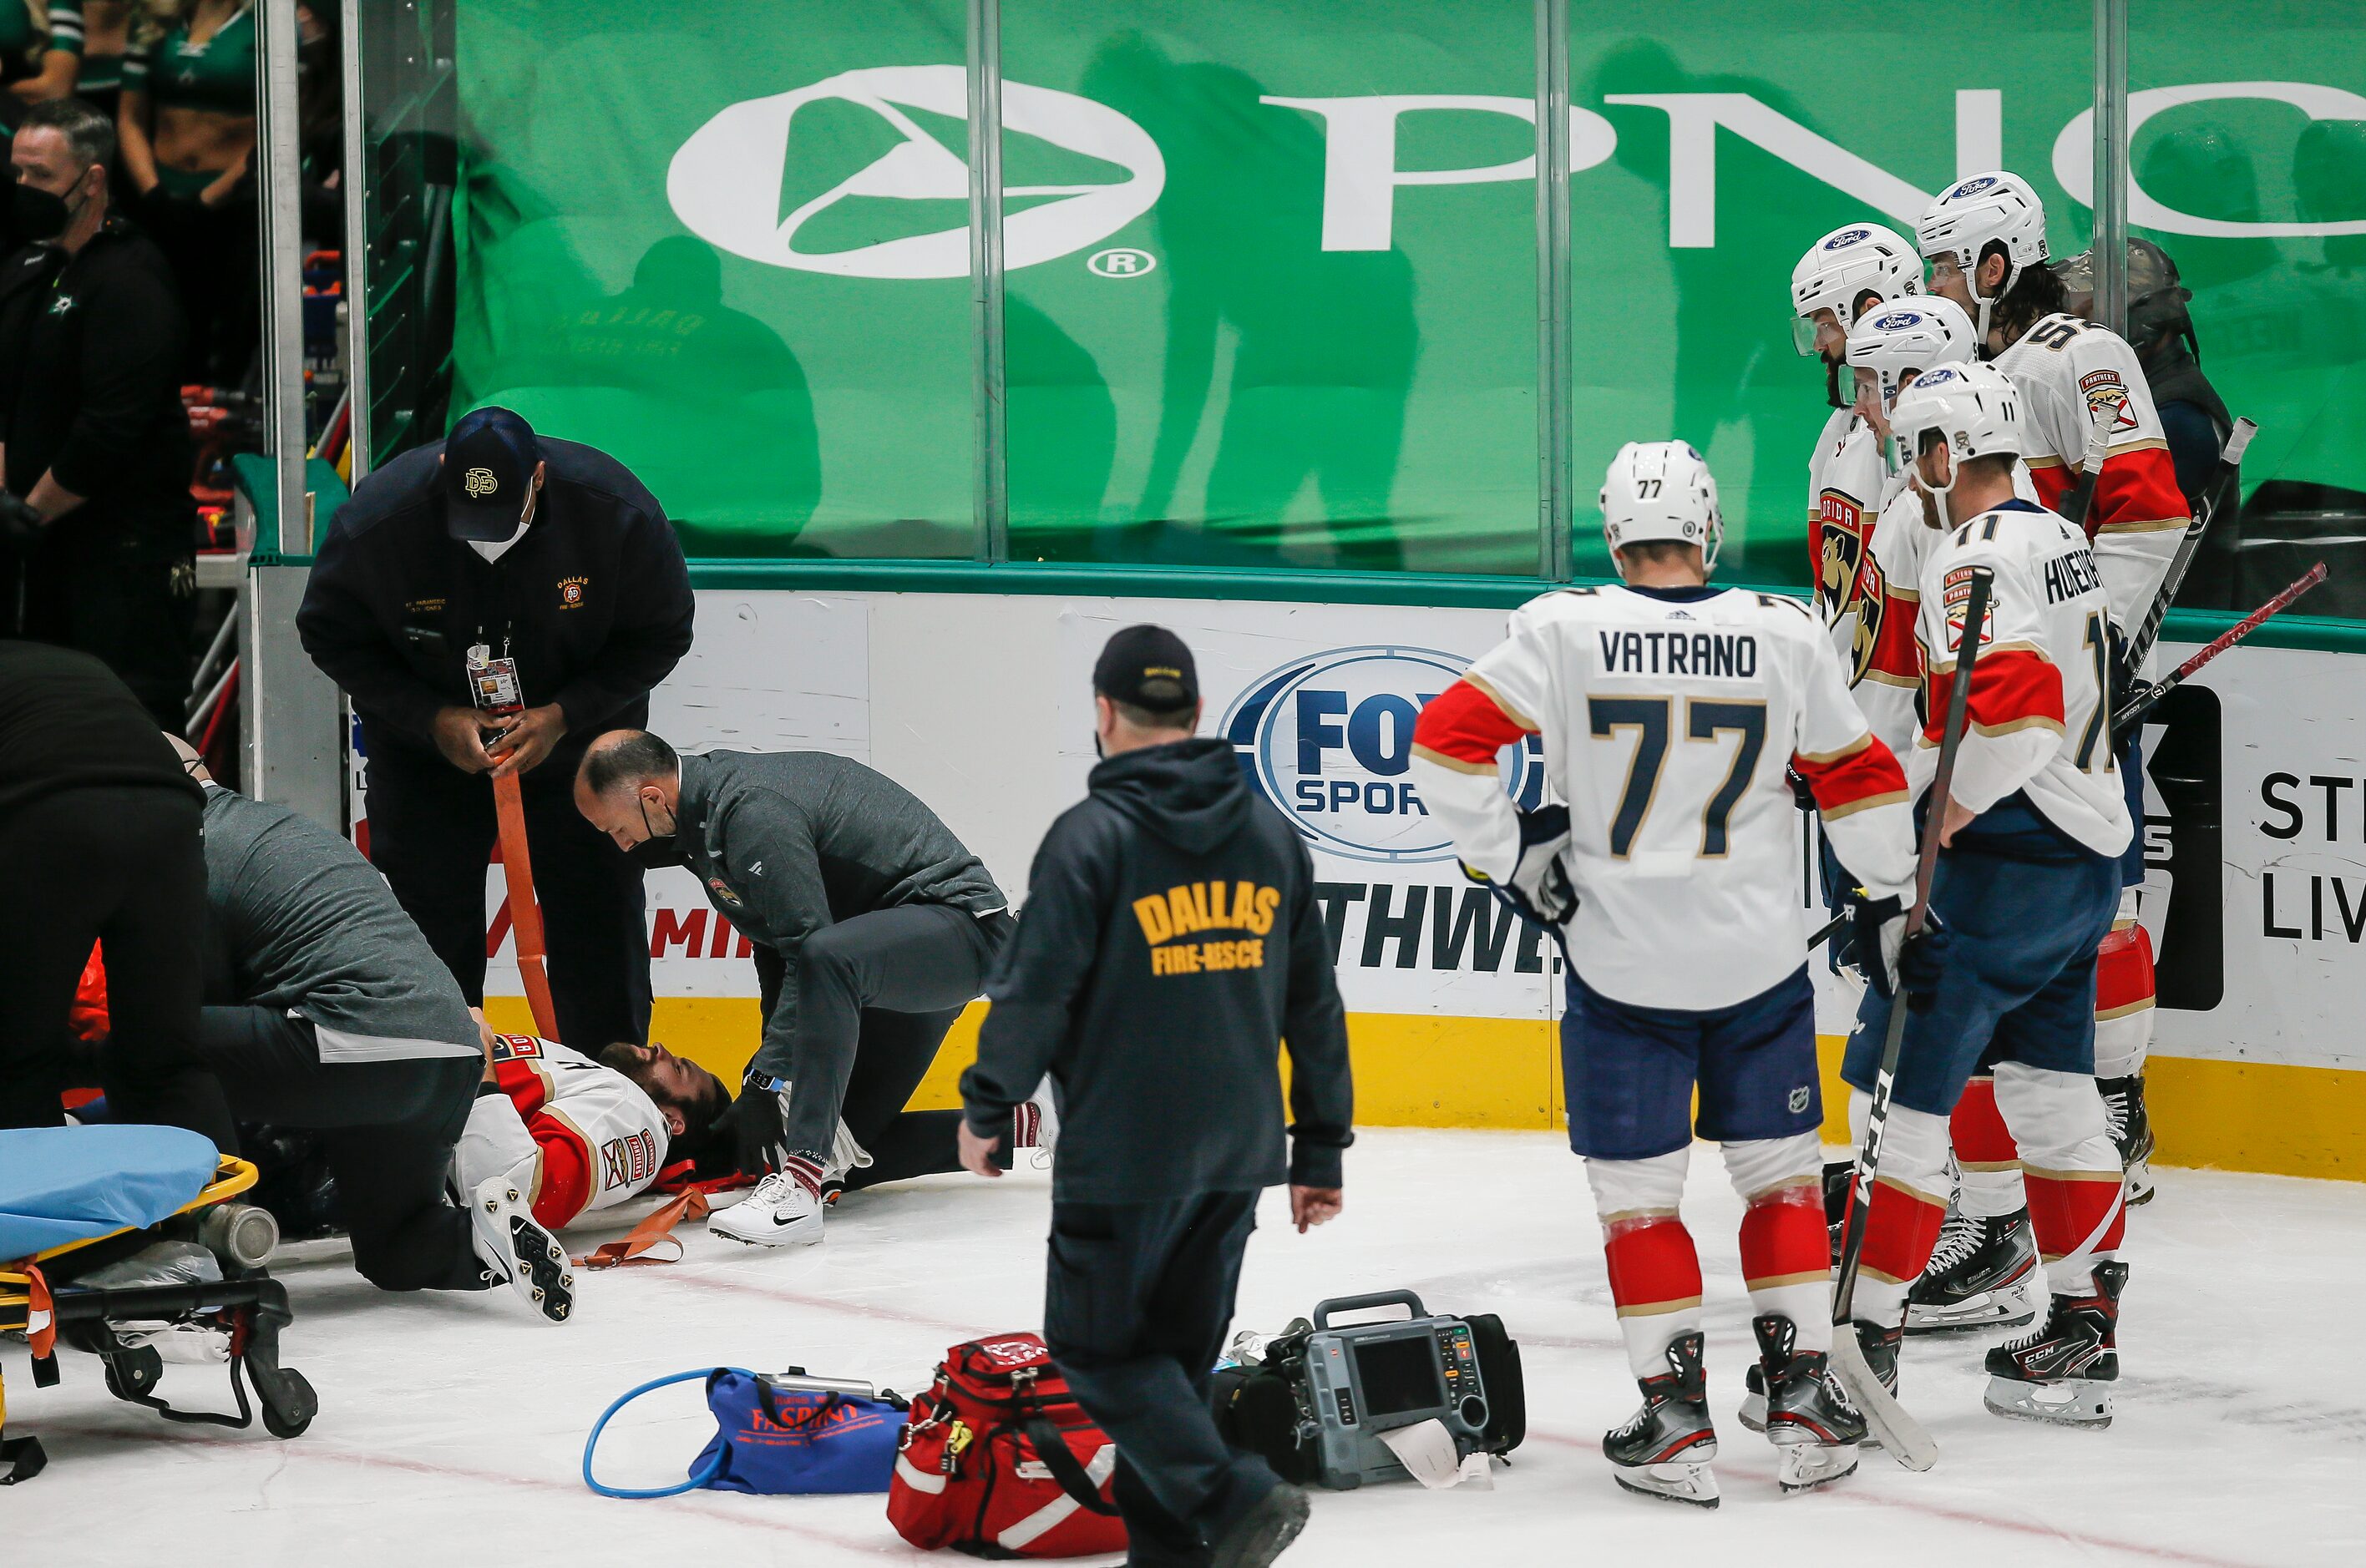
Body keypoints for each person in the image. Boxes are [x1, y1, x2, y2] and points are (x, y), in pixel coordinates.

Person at [1411, 441, 1921, 1505]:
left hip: (1620, 964)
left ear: (1613, 533)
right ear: (1709, 531)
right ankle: (1800, 1399)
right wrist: (1883, 894)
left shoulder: (1560, 628)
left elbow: (1445, 739)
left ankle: (1674, 1422)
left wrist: (1508, 854)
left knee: (1639, 1208)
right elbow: (1859, 774)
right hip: (1757, 963)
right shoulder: (1780, 632)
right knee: (1779, 1183)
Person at [958, 625, 1352, 1568]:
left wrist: (985, 1108)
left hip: (1125, 1154)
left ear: (1103, 714)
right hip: (1238, 1153)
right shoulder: (1268, 833)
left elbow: (1032, 994)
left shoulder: (1089, 839)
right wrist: (1320, 1150)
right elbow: (1314, 1002)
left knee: (1096, 1355)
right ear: (1197, 714)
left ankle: (1233, 1492)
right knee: (1171, 1378)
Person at [1837, 362, 2134, 1429]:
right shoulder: (2055, 536)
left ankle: (1861, 1353)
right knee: (2052, 1091)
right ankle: (2079, 1327)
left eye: (1917, 451)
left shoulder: (1972, 551)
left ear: (1940, 455)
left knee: (1906, 1100)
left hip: (2003, 863)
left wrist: (1940, 819)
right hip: (2082, 864)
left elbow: (2010, 717)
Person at [1918, 172, 2174, 1203]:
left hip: (2072, 676)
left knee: (2100, 893)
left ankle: (2118, 1104)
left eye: (1943, 263)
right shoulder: (1966, 370)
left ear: (1991, 265)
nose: (1932, 282)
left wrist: (2093, 648)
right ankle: (2042, 1140)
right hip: (2014, 682)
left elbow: (2148, 507)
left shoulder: (2082, 354)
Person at [296, 406, 693, 1054]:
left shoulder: (614, 511)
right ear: (446, 472)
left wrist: (564, 714)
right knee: (426, 923)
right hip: (430, 754)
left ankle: (612, 1088)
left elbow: (662, 632)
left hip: (576, 751)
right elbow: (329, 635)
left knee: (595, 910)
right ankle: (439, 1091)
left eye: (503, 517)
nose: (486, 538)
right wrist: (431, 718)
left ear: (540, 478)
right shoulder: (379, 522)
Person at [574, 729, 1041, 1247]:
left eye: (617, 829)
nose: (620, 846)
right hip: (880, 965)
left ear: (653, 799)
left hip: (958, 932)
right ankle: (1041, 1124)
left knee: (825, 957)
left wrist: (766, 1083)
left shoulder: (750, 812)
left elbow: (809, 947)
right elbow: (776, 953)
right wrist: (772, 1079)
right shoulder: (700, 831)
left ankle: (800, 1188)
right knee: (848, 1144)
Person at [165, 738, 576, 1320]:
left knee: (155, 1045)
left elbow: (184, 999)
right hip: (450, 1052)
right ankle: (482, 1241)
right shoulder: (280, 826)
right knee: (396, 1251)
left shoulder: (191, 848)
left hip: (354, 1044)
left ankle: (207, 1257)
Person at [1841, 298, 2044, 1337]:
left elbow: (1896, 681)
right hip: (1964, 805)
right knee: (1969, 1036)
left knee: (1926, 1036)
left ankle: (1989, 1226)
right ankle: (1995, 1224)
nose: (1866, 409)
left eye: (1883, 388)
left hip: (1940, 812)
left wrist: (1866, 800)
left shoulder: (1943, 522)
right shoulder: (1984, 507)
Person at [0, 94, 195, 729]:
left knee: (125, 728)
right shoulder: (28, 265)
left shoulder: (130, 281)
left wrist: (28, 513)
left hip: (119, 560)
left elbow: (110, 430)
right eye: (17, 173)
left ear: (91, 181)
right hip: (41, 560)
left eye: (41, 176)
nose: (24, 188)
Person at [0, 641, 232, 1146]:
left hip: (55, 816)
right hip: (173, 817)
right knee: (166, 1058)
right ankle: (225, 1216)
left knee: (19, 1059)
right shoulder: (68, 663)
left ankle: (42, 1220)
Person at [1788, 222, 1922, 656]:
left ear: (1868, 310)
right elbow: (1828, 588)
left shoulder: (1946, 430)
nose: (1819, 345)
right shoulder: (1841, 428)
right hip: (1848, 690)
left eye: (1825, 325)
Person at [115, 0, 253, 381]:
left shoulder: (268, 24)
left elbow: (287, 125)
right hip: (159, 200)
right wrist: (153, 193)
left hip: (234, 206)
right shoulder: (154, 20)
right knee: (152, 324)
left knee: (221, 336)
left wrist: (207, 201)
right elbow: (129, 117)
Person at [455, 1020, 677, 1233]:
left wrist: (477, 1056)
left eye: (679, 1068)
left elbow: (507, 1195)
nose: (660, 1048)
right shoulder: (584, 1069)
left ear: (673, 1120)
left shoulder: (637, 1113)